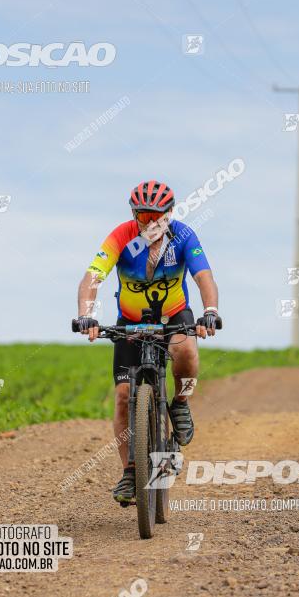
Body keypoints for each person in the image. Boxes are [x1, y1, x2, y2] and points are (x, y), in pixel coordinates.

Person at [75, 180, 220, 504]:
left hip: (174, 315)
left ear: (169, 214)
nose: (150, 224)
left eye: (157, 217)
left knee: (185, 350)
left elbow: (203, 277)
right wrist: (86, 314)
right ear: (133, 215)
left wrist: (210, 311)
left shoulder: (183, 235)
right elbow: (92, 277)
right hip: (131, 322)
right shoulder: (121, 236)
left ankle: (180, 405)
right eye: (143, 217)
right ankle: (130, 470)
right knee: (125, 396)